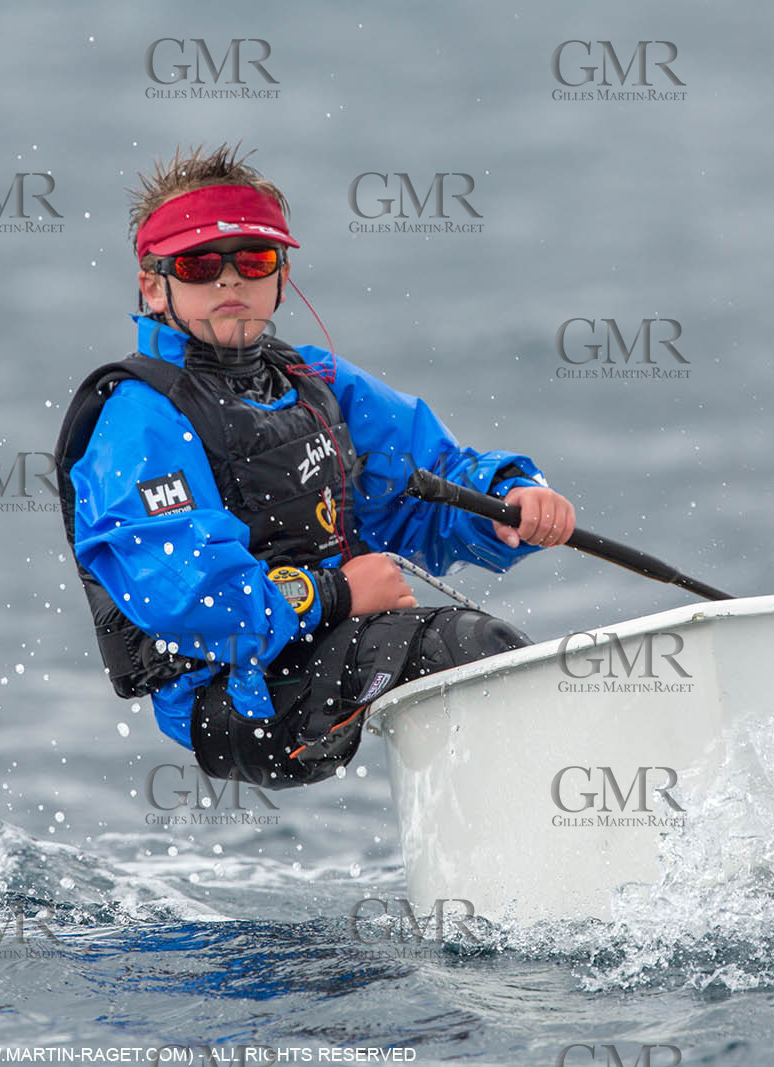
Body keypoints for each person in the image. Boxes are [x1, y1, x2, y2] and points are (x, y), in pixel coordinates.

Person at [56, 144, 575, 789]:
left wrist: (507, 502)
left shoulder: (316, 382)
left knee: (488, 659)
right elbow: (184, 595)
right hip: (232, 697)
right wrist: (339, 594)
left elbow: (425, 485)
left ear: (280, 274)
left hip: (324, 647)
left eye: (253, 259)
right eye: (197, 264)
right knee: (463, 649)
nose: (228, 281)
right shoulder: (140, 419)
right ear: (152, 286)